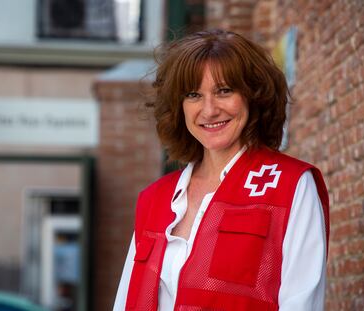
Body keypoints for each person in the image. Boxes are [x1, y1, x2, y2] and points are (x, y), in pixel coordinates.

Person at [113, 29, 329, 311]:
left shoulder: (290, 186)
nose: (209, 110)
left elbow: (301, 303)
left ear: (254, 96)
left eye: (224, 91)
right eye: (193, 95)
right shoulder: (155, 199)